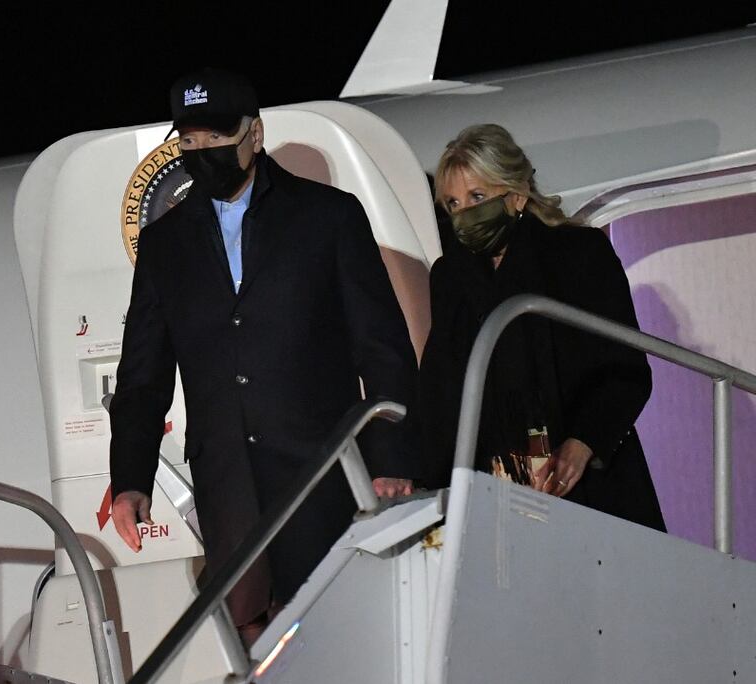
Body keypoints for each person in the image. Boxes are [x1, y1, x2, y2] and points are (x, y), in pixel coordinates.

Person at [108, 67, 420, 644]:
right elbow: (143, 374)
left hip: (322, 475)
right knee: (253, 641)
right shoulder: (164, 245)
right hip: (228, 487)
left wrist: (391, 457)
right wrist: (131, 477)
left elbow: (382, 346)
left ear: (256, 133)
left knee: (342, 635)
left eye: (217, 138)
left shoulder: (329, 217)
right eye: (190, 141)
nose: (202, 152)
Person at [418, 123, 665, 531]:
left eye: (477, 197)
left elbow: (624, 368)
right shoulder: (450, 276)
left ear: (515, 196)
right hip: (492, 491)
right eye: (454, 203)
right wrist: (426, 478)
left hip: (579, 481)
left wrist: (585, 443)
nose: (465, 214)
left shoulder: (579, 254)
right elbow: (440, 384)